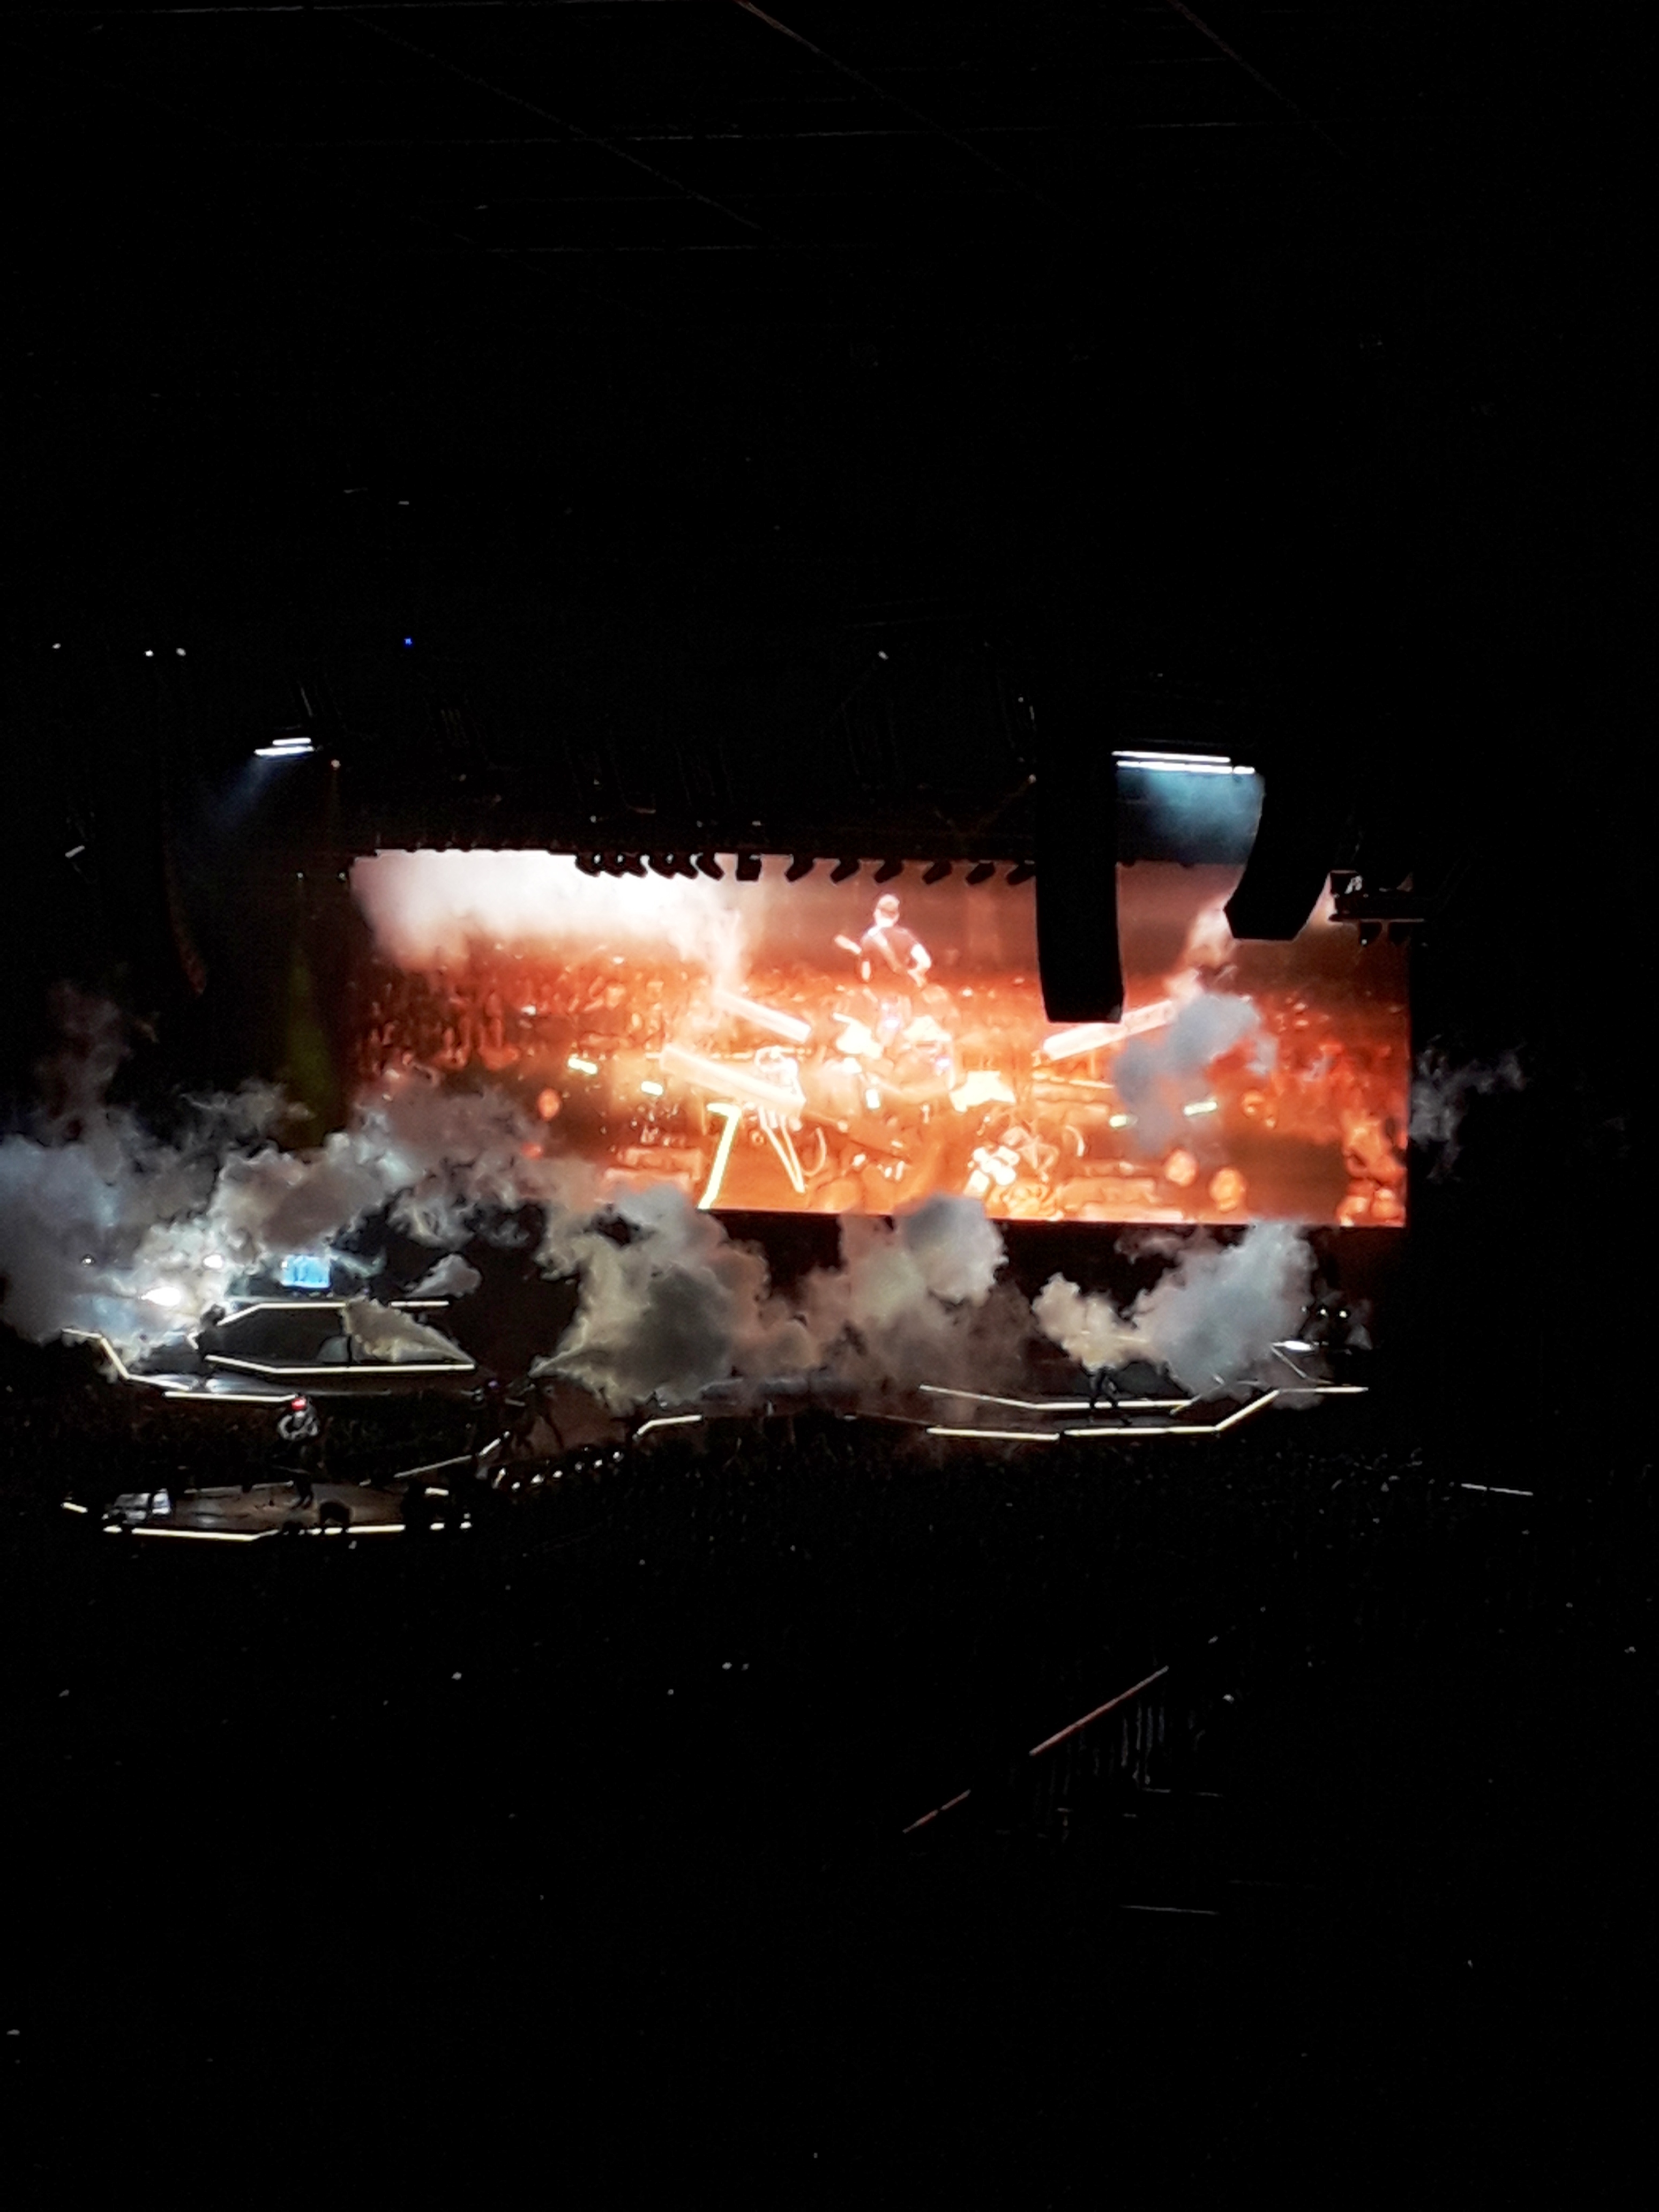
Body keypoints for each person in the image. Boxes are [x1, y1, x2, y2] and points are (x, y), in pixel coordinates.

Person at [858, 895, 931, 989]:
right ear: (896, 916)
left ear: (877, 913)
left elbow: (866, 976)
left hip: (878, 991)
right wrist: (915, 972)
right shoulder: (906, 936)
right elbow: (926, 962)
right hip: (902, 990)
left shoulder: (868, 938)